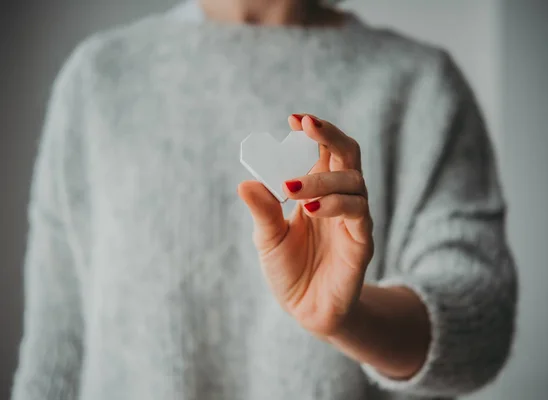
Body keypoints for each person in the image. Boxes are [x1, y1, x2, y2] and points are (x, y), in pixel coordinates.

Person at [11, 1, 518, 399]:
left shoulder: (420, 84)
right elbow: (56, 346)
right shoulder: (99, 77)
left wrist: (350, 318)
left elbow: (480, 329)